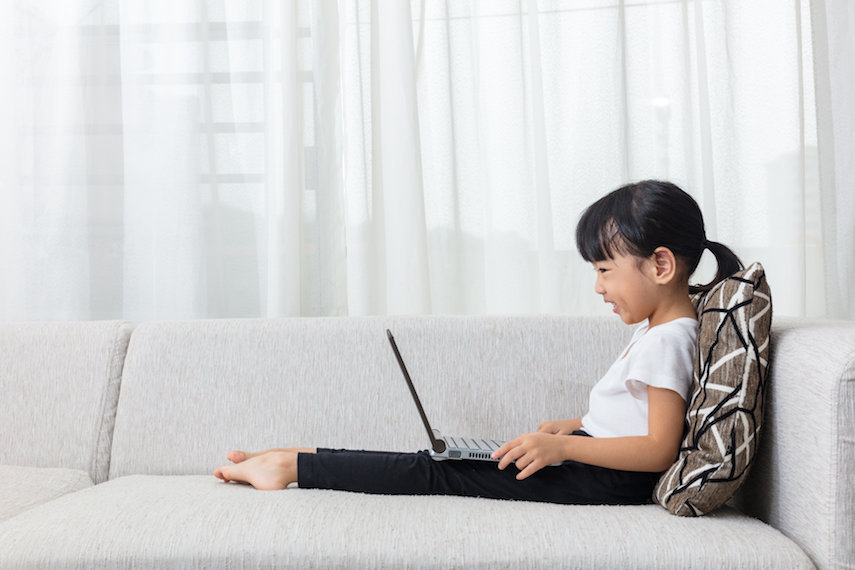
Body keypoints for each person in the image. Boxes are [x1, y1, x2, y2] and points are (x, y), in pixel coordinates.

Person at [213, 180, 742, 505]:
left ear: (661, 264)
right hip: (593, 465)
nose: (599, 287)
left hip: (604, 481)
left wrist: (564, 447)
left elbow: (658, 449)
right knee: (444, 457)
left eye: (604, 270)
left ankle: (291, 465)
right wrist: (573, 426)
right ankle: (294, 456)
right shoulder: (662, 331)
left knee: (435, 470)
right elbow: (631, 419)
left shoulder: (669, 339)